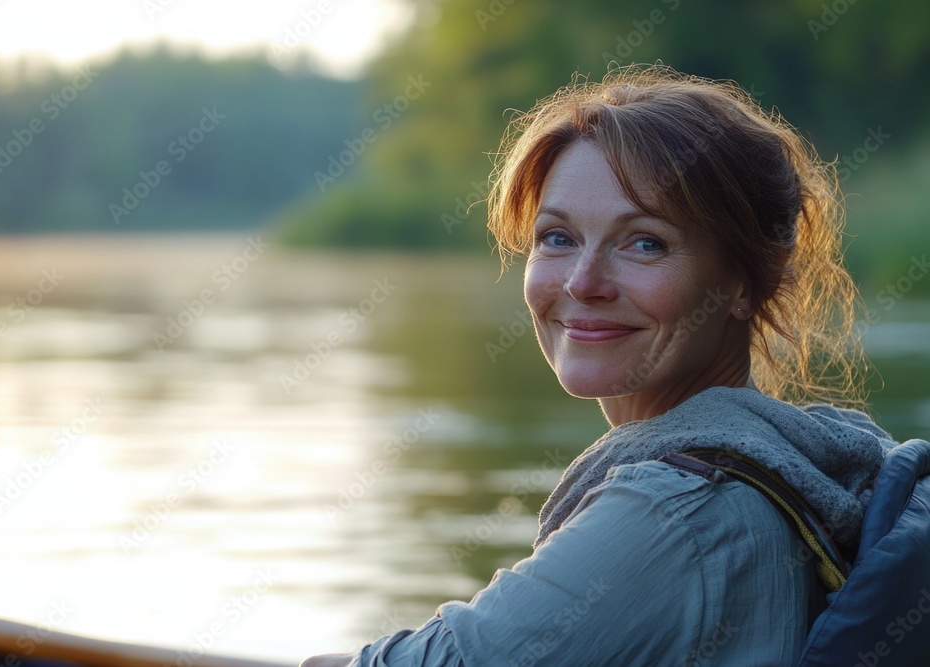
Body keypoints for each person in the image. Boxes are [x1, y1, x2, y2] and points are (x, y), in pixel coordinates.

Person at [301, 65, 898, 666]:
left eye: (644, 242)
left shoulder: (674, 512)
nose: (584, 282)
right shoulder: (802, 469)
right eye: (557, 237)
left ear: (745, 283)